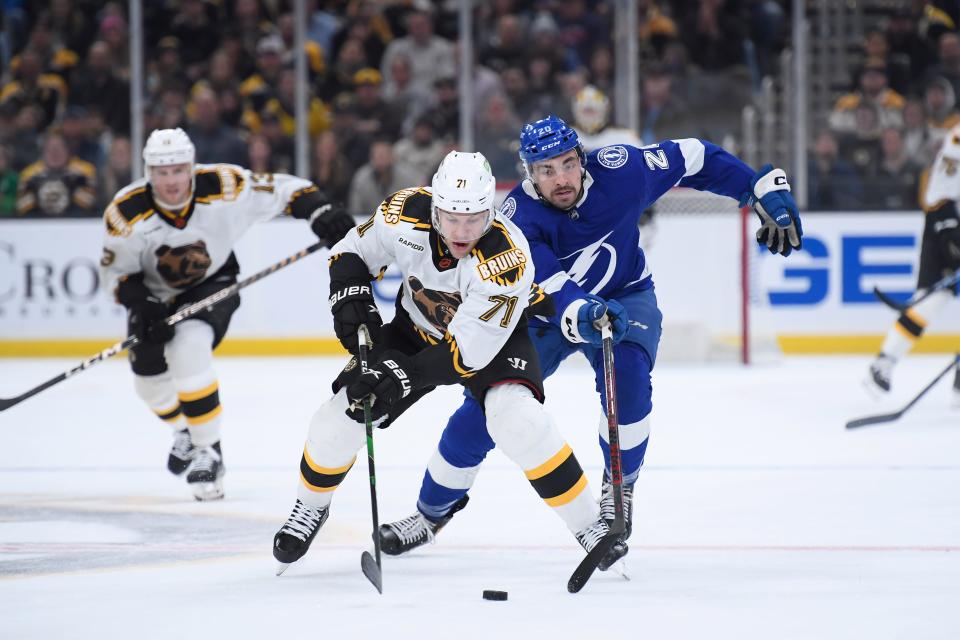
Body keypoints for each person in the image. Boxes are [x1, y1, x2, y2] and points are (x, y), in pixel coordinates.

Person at [377, 115, 803, 557]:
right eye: (545, 170)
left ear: (581, 158)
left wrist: (755, 187)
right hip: (544, 314)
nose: (560, 179)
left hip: (627, 292)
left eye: (566, 164)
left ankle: (620, 488)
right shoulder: (515, 221)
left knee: (630, 375)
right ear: (528, 173)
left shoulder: (622, 169)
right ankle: (429, 513)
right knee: (483, 410)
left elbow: (695, 156)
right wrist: (582, 311)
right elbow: (553, 285)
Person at [272, 151, 626, 574]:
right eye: (452, 217)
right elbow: (352, 250)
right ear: (435, 205)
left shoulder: (506, 259)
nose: (462, 230)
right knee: (339, 416)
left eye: (474, 218)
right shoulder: (404, 212)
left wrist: (401, 375)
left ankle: (590, 527)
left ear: (489, 212)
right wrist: (348, 292)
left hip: (492, 343)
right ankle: (309, 509)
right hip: (414, 328)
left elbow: (465, 355)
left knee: (516, 419)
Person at [100, 128, 354, 500]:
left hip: (212, 283)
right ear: (148, 172)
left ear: (192, 166)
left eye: (178, 170)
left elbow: (286, 189)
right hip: (153, 296)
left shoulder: (224, 185)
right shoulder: (125, 212)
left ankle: (209, 452)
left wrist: (321, 211)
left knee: (188, 350)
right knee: (148, 383)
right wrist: (140, 303)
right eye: (161, 171)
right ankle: (185, 432)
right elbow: (116, 273)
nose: (171, 181)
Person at [866, 123, 960, 397]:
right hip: (944, 223)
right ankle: (884, 362)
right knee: (930, 300)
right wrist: (950, 233)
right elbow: (940, 192)